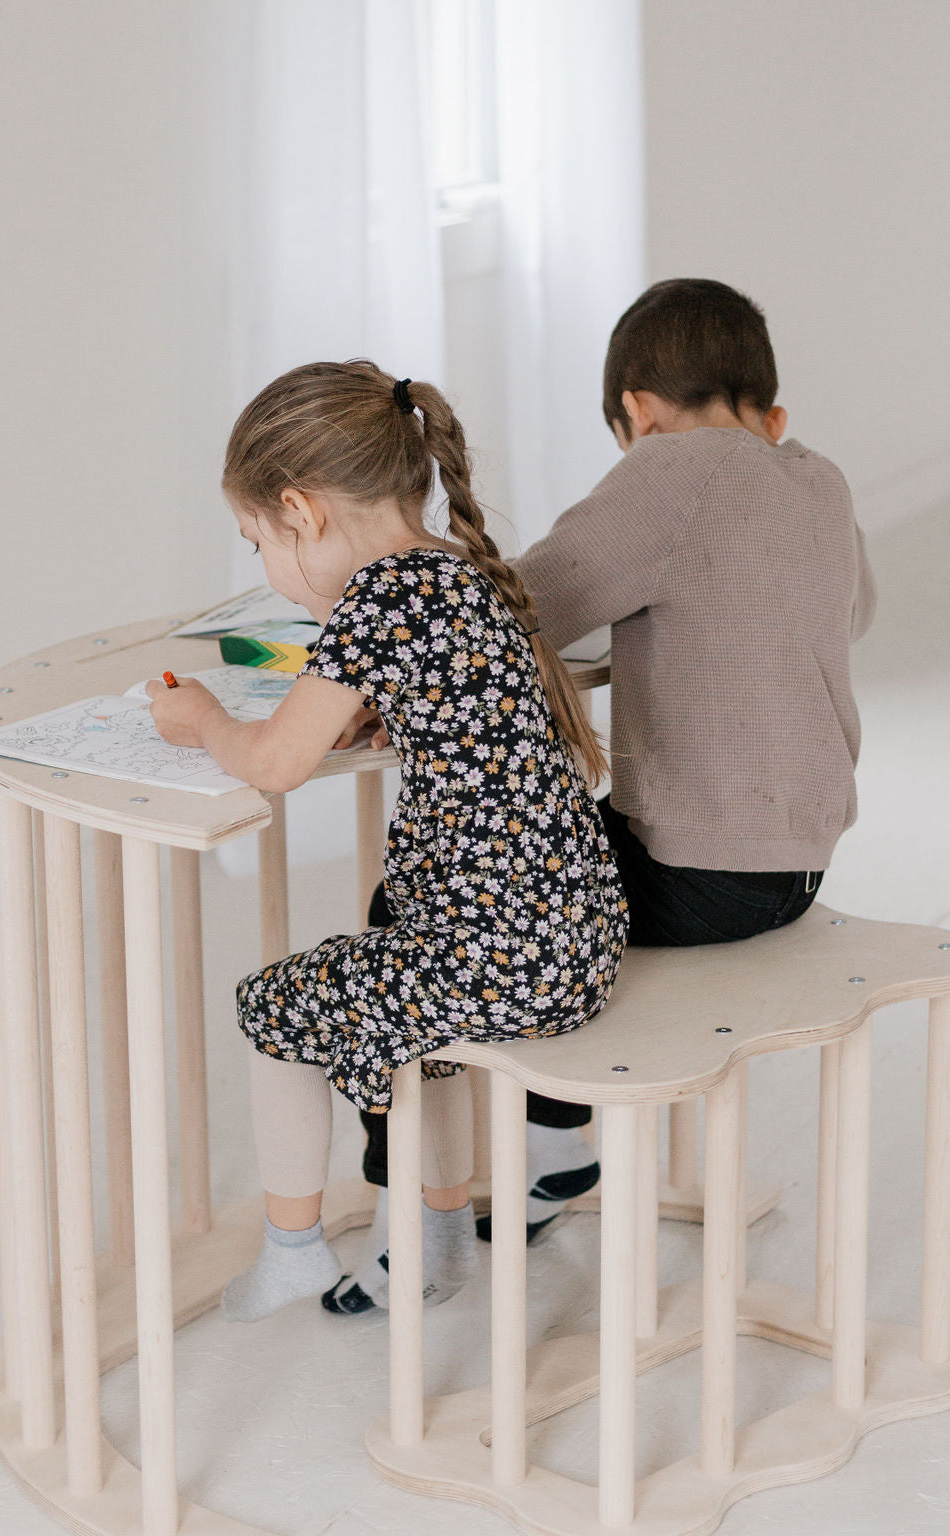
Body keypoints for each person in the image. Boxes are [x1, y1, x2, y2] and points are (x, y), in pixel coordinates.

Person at [354, 278, 877, 1252]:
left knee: (427, 902)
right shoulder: (819, 476)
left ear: (636, 414)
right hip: (799, 866)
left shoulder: (671, 471)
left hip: (699, 870)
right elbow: (851, 612)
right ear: (771, 413)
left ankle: (414, 1215)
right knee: (558, 854)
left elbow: (526, 606)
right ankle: (552, 1143)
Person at [147, 359, 629, 1320]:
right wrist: (387, 715)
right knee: (400, 978)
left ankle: (292, 1250)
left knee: (272, 1008)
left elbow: (276, 761)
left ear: (301, 509)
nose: (270, 570)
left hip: (495, 961)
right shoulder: (460, 571)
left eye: (259, 544)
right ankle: (439, 1235)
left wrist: (201, 719)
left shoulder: (376, 600)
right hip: (579, 939)